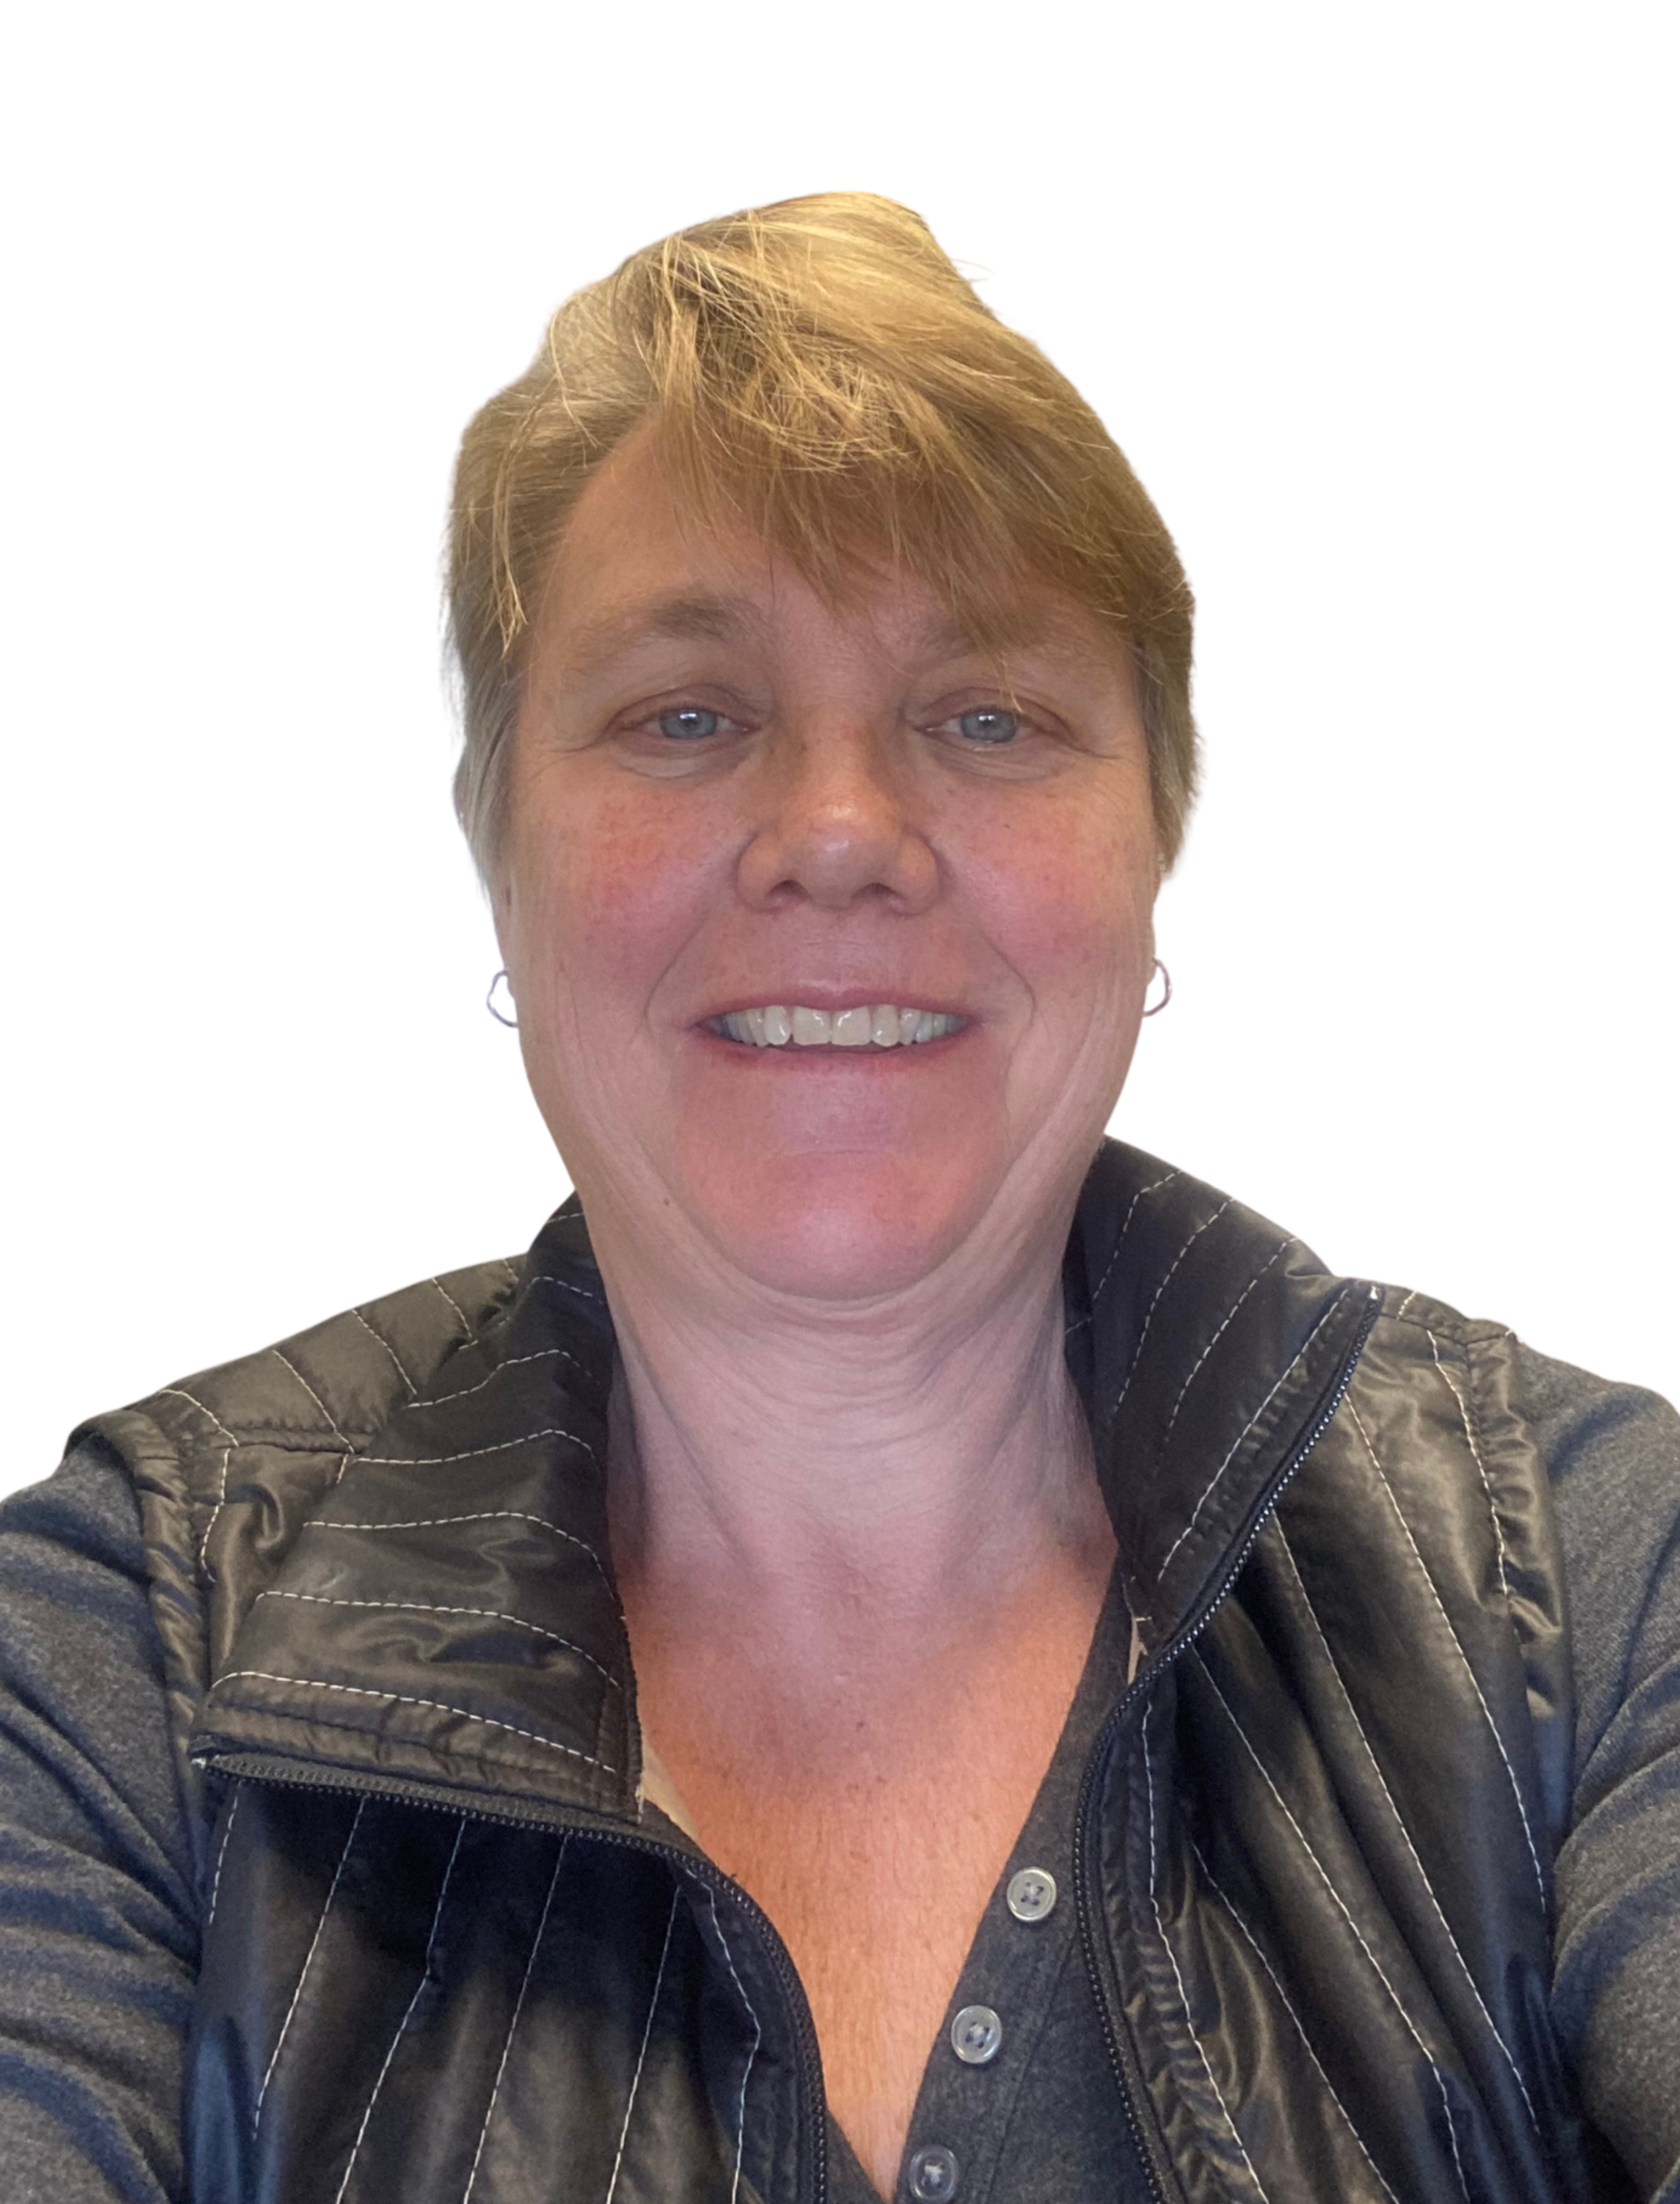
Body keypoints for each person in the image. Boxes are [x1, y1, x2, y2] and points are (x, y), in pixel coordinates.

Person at [1, 192, 1676, 2204]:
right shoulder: (125, 1661)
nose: (836, 835)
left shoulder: (1582, 1586)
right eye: (685, 716)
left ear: (1153, 844)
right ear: (501, 855)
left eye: (986, 717)